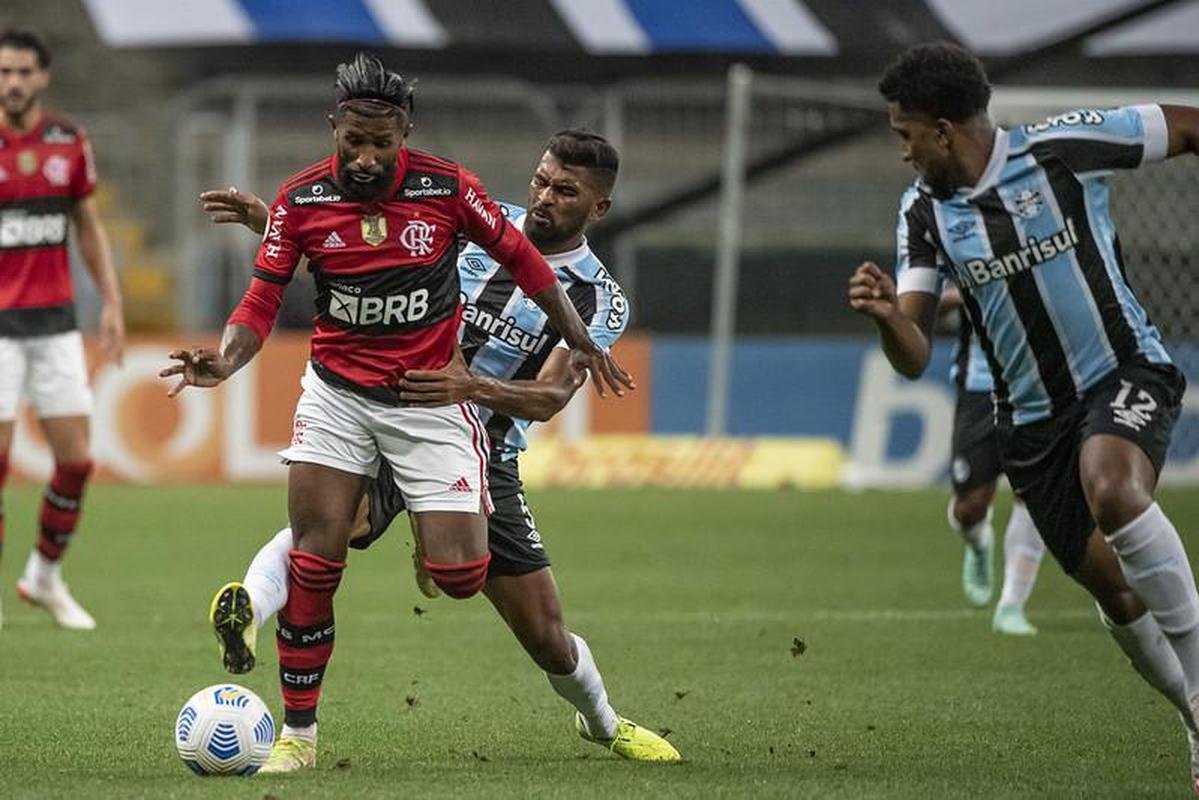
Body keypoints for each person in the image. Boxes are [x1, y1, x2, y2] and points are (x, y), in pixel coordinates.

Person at [160, 55, 632, 773]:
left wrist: (489, 376)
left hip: (463, 432)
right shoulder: (448, 208)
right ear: (335, 130)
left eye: (563, 190)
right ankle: (292, 722)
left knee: (482, 590)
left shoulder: (573, 281)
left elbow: (549, 391)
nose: (540, 197)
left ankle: (600, 720)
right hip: (346, 398)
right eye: (539, 180)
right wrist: (271, 235)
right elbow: (323, 254)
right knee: (318, 546)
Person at [848, 42, 1199, 789]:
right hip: (1028, 420)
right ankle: (1193, 715)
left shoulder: (1063, 149)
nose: (903, 152)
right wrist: (886, 317)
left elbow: (1186, 124)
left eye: (905, 134)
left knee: (1111, 486)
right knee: (1111, 588)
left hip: (1122, 369)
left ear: (943, 130)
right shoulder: (922, 214)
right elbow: (912, 351)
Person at [0, 28, 124, 631]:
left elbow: (86, 225)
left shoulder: (68, 141)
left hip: (54, 326)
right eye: (4, 72)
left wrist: (112, 303)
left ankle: (44, 577)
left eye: (24, 71)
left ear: (43, 77)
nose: (14, 82)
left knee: (76, 463)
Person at [940, 289, 1045, 634]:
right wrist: (961, 292)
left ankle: (1011, 605)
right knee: (970, 507)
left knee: (1032, 491)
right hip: (980, 387)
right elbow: (925, 305)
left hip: (1037, 381)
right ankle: (978, 541)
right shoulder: (959, 240)